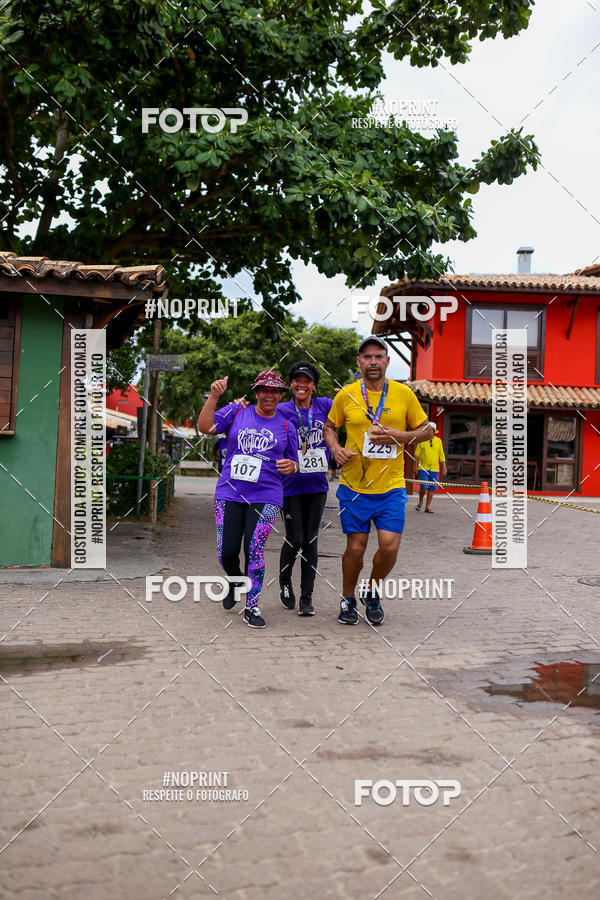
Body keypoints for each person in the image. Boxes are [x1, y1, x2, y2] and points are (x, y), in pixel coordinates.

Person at [323, 336, 433, 626]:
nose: (373, 362)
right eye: (367, 357)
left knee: (389, 547)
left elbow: (427, 430)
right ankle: (348, 598)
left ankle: (372, 592)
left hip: (391, 487)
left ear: (387, 361)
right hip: (354, 487)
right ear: (359, 362)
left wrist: (400, 436)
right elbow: (329, 427)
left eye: (378, 356)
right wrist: (335, 448)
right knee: (356, 548)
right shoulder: (346, 395)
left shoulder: (403, 393)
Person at [197, 370, 299, 628]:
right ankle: (235, 579)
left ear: (280, 395)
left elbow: (294, 462)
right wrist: (214, 396)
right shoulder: (237, 412)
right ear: (256, 392)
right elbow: (205, 427)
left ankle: (252, 606)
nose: (269, 395)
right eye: (264, 389)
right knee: (226, 552)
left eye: (274, 391)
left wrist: (292, 466)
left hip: (267, 495)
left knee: (254, 548)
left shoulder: (288, 426)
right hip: (229, 492)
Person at [277, 361, 333, 616]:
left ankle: (307, 597)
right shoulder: (281, 409)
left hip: (317, 486)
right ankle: (284, 581)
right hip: (290, 486)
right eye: (297, 380)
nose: (302, 385)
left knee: (310, 540)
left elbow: (349, 409)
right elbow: (260, 417)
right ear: (291, 385)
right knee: (295, 538)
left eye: (307, 381)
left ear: (314, 386)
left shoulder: (324, 405)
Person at [414, 423, 447, 513]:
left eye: (429, 430)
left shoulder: (438, 441)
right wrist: (415, 467)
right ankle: (420, 502)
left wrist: (444, 467)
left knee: (432, 488)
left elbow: (442, 455)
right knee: (423, 486)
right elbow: (416, 456)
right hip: (423, 468)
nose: (427, 431)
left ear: (433, 431)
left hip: (434, 469)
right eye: (426, 429)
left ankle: (427, 507)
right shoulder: (421, 441)